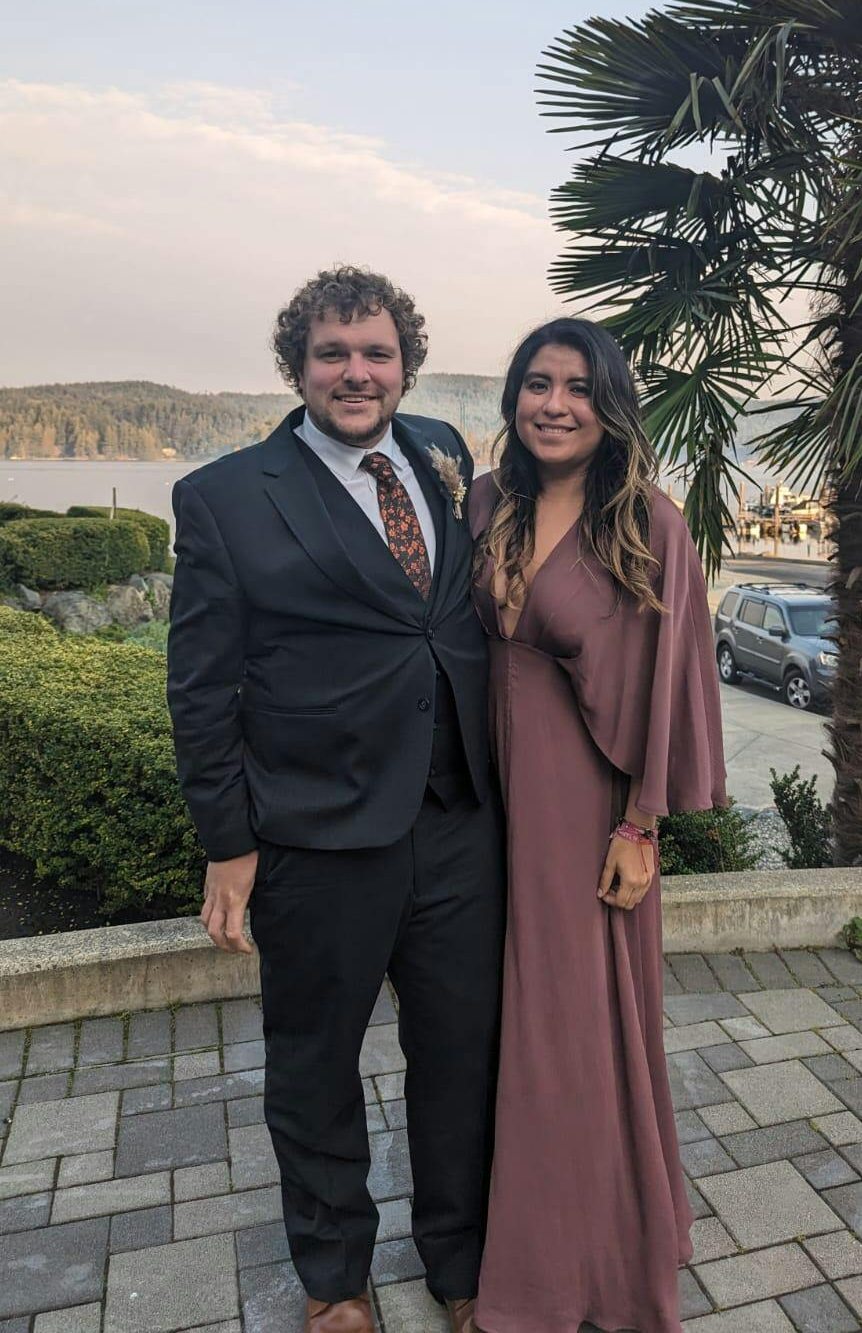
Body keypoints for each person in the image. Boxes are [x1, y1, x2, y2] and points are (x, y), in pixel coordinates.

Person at [166, 266, 504, 1333]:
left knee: (462, 1059)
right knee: (315, 1070)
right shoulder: (225, 497)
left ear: (405, 365)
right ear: (297, 366)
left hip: (458, 824)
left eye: (376, 354)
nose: (356, 373)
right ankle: (335, 1281)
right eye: (332, 354)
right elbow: (201, 688)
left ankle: (462, 1266)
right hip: (316, 838)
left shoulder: (442, 453)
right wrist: (228, 843)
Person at [468, 318, 727, 1333]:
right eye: (538, 383)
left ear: (610, 405)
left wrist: (640, 825)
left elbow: (671, 683)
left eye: (578, 387)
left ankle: (583, 1271)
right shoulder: (484, 503)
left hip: (582, 810)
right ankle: (512, 1238)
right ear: (513, 398)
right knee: (499, 1028)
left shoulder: (648, 523)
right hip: (480, 801)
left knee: (573, 1034)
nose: (555, 404)